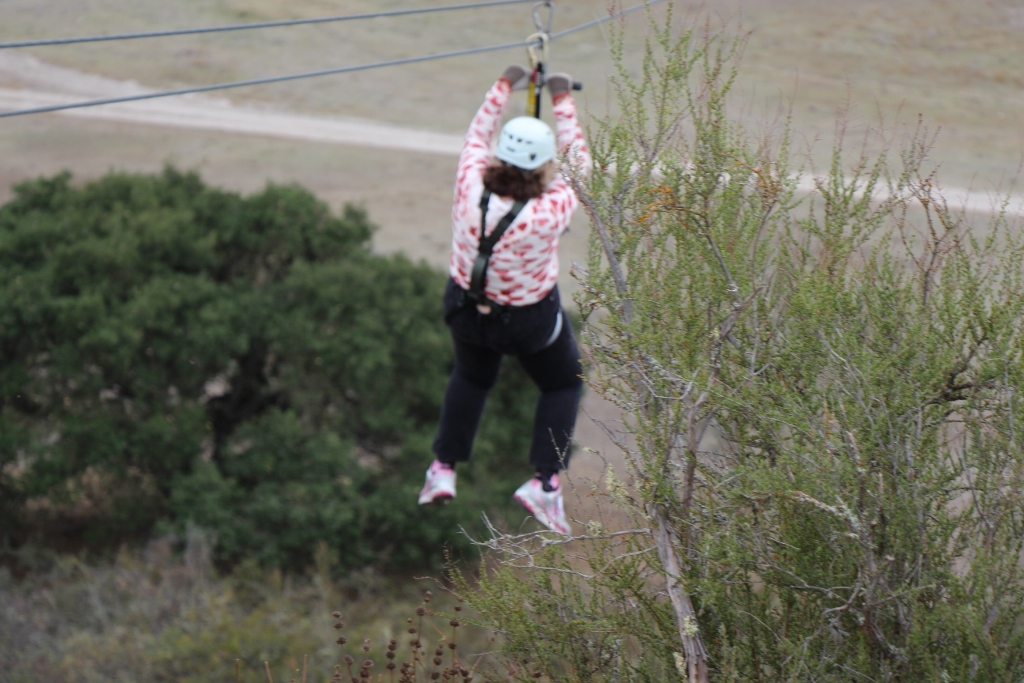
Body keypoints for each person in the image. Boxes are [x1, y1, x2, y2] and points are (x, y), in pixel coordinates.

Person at [417, 65, 591, 535]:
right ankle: (544, 483)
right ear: (543, 164)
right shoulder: (549, 210)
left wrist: (502, 87)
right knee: (562, 384)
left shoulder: (469, 182)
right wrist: (560, 98)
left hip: (465, 309)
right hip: (527, 321)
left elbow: (478, 133)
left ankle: (443, 469)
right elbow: (578, 164)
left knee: (472, 378)